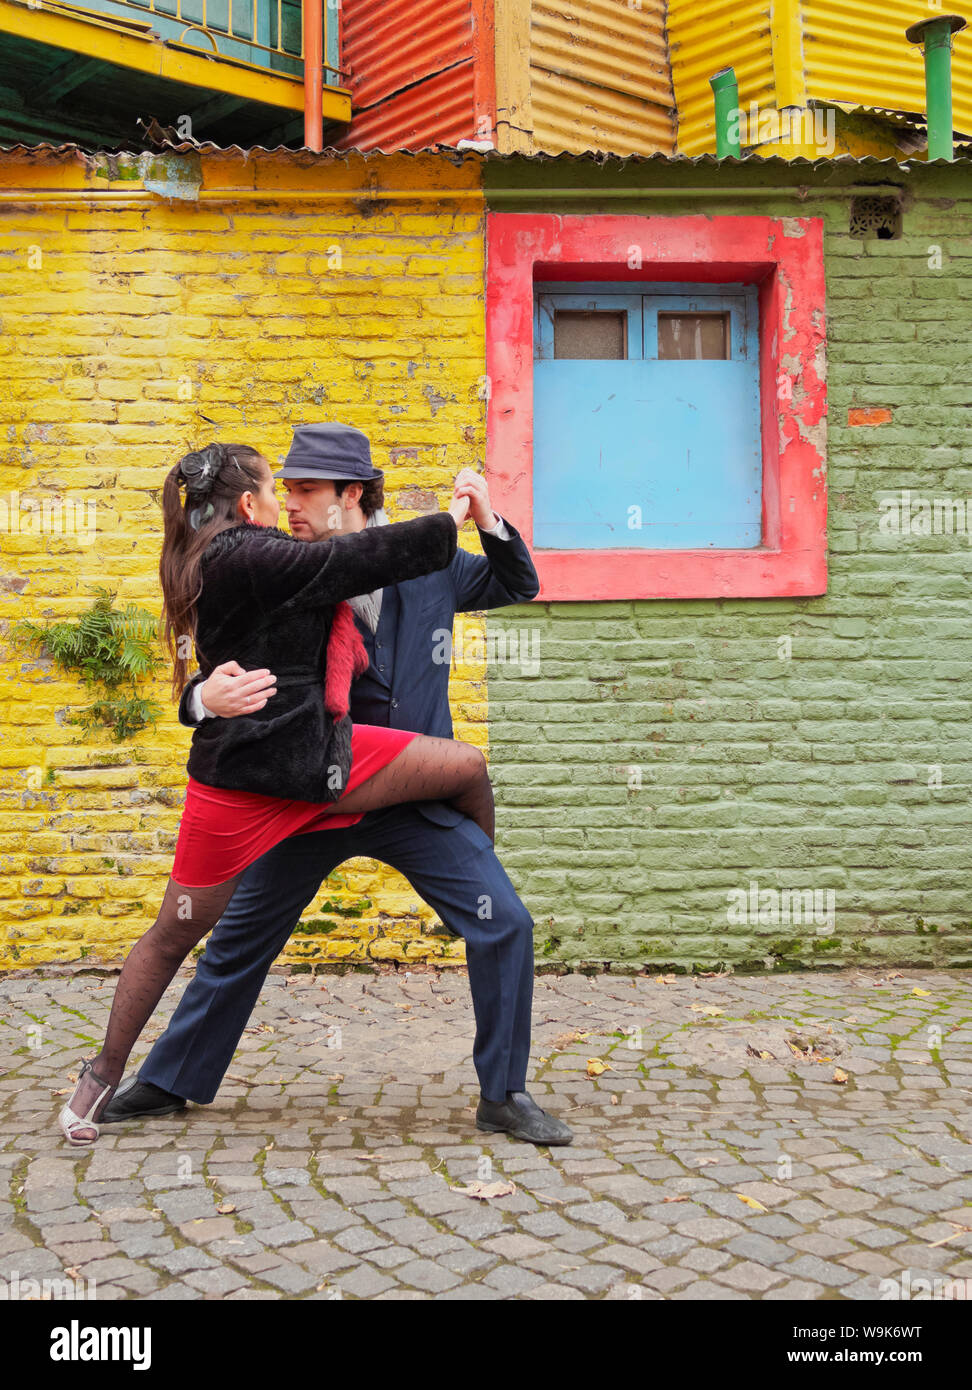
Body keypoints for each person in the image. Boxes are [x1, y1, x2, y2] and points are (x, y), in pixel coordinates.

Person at [101, 422, 573, 1145]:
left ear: (351, 494)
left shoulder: (431, 565)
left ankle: (503, 1093)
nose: (287, 502)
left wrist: (487, 520)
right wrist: (200, 700)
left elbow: (519, 583)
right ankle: (169, 1080)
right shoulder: (271, 564)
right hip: (302, 795)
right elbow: (210, 667)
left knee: (504, 921)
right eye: (282, 487)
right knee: (236, 941)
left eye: (305, 489)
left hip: (408, 790)